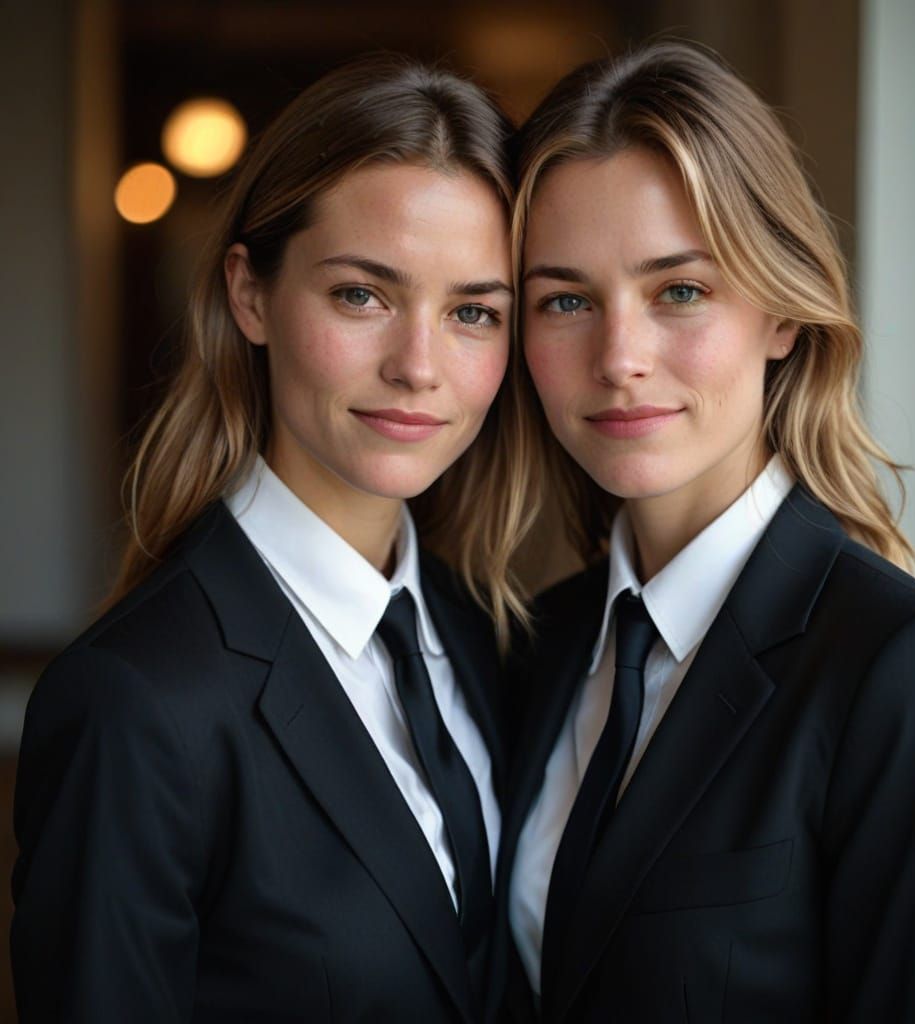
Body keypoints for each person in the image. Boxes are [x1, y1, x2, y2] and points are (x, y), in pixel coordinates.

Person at [12, 54, 539, 1023]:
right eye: (362, 295)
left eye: (472, 311)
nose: (419, 366)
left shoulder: (488, 643)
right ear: (250, 294)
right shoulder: (132, 701)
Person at [499, 41, 915, 1023]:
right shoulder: (538, 644)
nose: (619, 358)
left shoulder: (902, 670)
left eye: (678, 291)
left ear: (779, 310)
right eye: (564, 299)